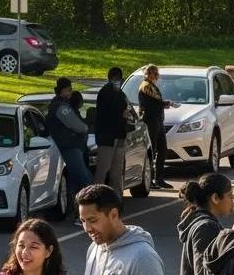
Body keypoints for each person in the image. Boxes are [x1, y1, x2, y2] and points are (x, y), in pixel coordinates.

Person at [46, 77, 92, 199]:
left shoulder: (58, 105)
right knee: (85, 181)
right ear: (62, 91)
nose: (70, 93)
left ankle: (74, 211)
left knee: (73, 183)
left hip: (67, 147)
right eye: (68, 90)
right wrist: (85, 128)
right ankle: (89, 209)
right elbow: (78, 126)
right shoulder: (61, 107)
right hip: (69, 147)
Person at [137, 64, 176, 190]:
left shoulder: (151, 85)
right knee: (152, 150)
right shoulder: (146, 86)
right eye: (155, 73)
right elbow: (155, 102)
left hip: (157, 121)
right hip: (151, 121)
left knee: (162, 149)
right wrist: (166, 103)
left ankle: (159, 178)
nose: (157, 76)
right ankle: (153, 178)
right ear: (150, 74)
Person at [95, 66, 131, 195]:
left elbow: (125, 112)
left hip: (119, 135)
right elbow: (106, 114)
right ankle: (96, 198)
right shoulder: (105, 92)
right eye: (115, 79)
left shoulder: (121, 94)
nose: (117, 82)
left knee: (117, 172)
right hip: (107, 137)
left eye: (118, 79)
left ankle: (116, 199)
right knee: (103, 169)